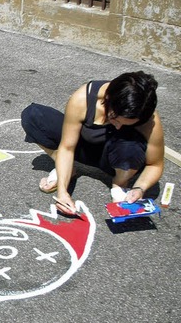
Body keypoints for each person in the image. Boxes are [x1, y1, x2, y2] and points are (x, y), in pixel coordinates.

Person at [21, 71, 164, 215]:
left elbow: (155, 164)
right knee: (33, 115)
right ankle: (67, 171)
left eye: (126, 124)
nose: (118, 127)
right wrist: (63, 193)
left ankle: (120, 184)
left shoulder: (146, 115)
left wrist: (139, 187)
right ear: (107, 99)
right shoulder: (83, 99)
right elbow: (67, 147)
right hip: (84, 146)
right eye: (115, 119)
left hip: (117, 157)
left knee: (130, 144)